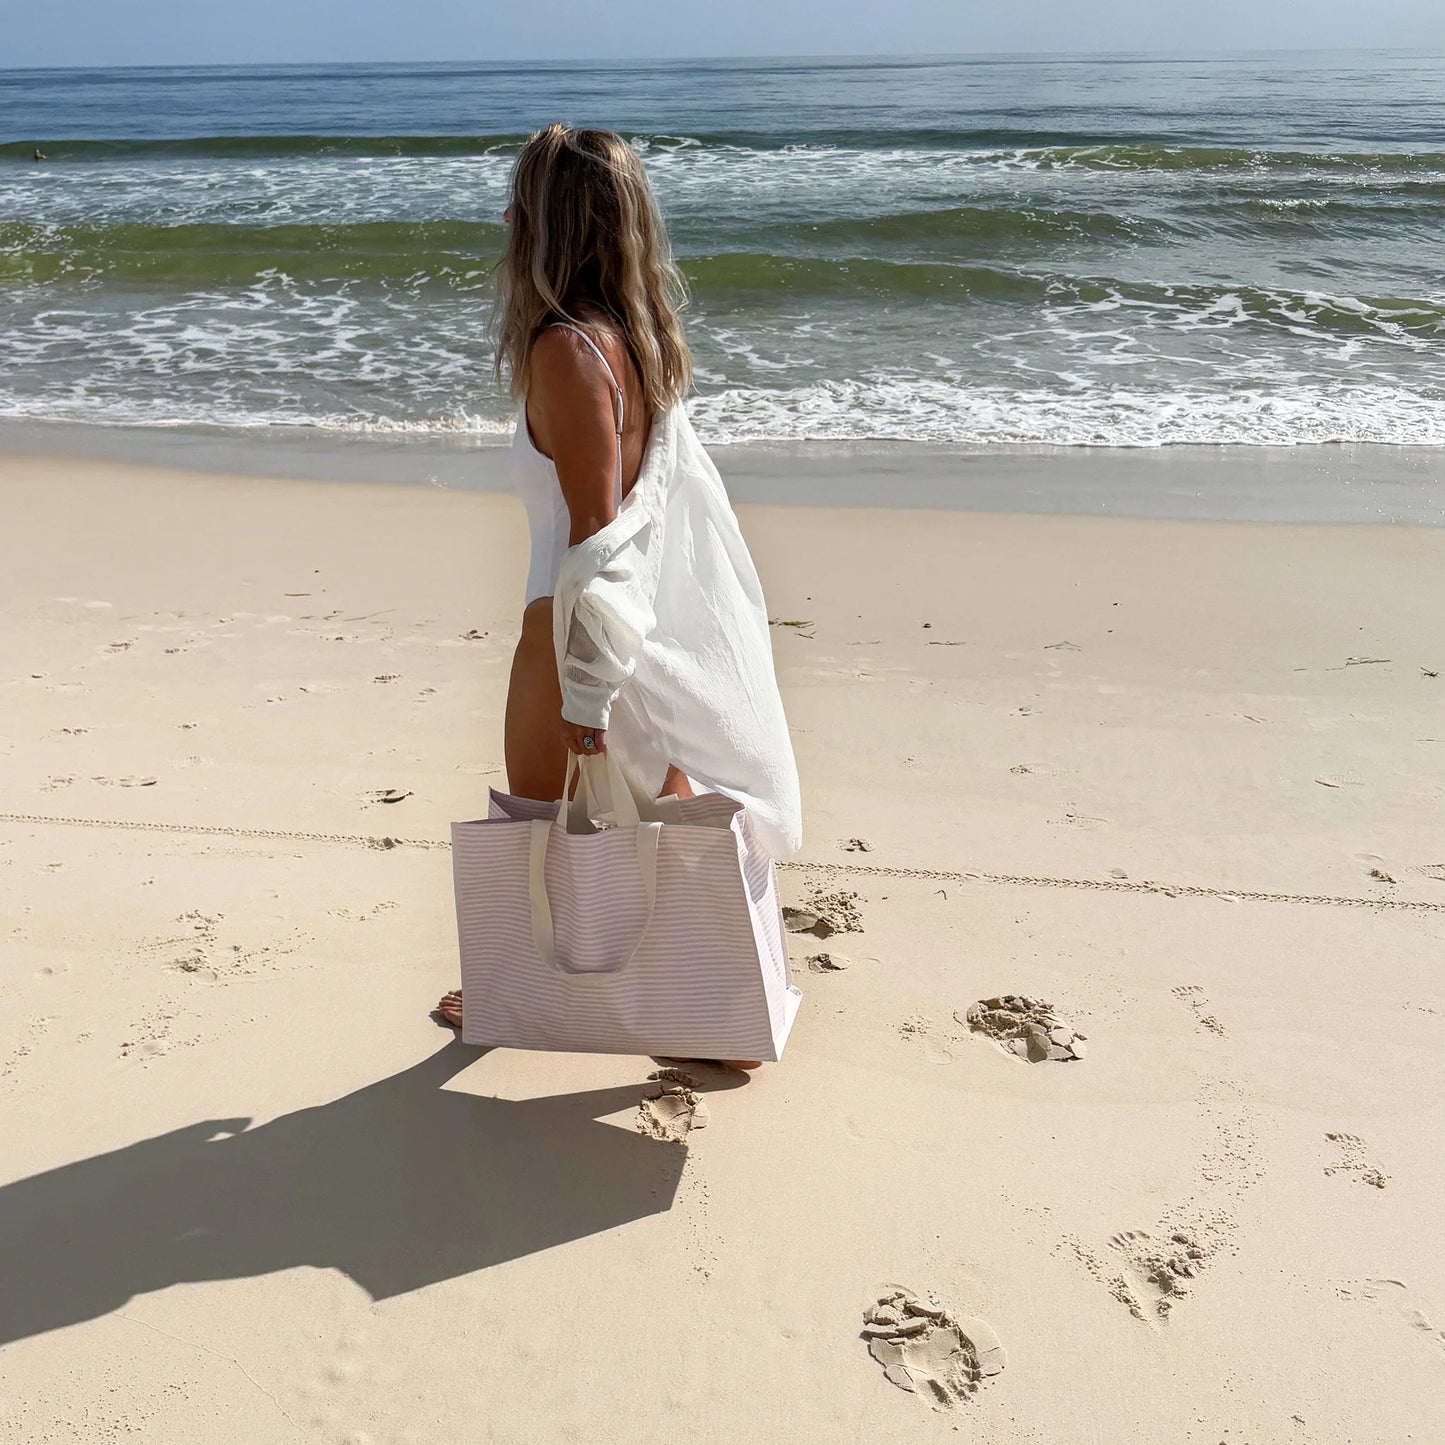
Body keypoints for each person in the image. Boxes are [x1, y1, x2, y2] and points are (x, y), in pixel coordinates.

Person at [435, 125, 802, 1065]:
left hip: (570, 633)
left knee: (541, 828)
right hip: (626, 629)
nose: (507, 214)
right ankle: (701, 992)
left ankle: (517, 992)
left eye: (520, 200)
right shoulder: (638, 344)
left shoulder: (566, 350)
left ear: (543, 223)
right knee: (650, 821)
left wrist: (584, 695)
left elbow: (598, 540)